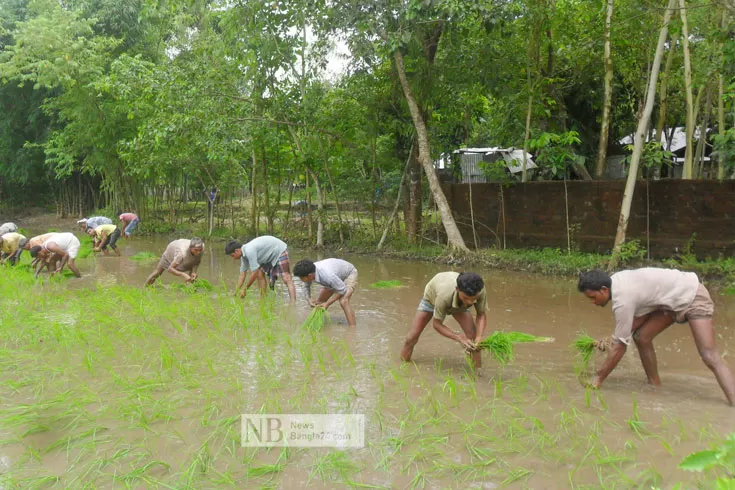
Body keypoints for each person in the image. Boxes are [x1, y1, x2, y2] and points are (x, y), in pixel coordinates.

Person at [578, 268, 735, 406]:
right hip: (669, 302)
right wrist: (611, 340)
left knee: (709, 355)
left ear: (604, 290)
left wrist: (598, 379)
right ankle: (655, 386)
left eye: (592, 297)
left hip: (692, 295)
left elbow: (620, 347)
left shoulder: (622, 300)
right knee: (642, 337)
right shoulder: (617, 281)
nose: (593, 302)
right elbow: (636, 323)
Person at [400, 271, 488, 367]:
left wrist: (479, 337)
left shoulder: (480, 290)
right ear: (457, 289)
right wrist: (459, 338)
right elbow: (437, 324)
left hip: (457, 302)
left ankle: (477, 372)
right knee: (412, 337)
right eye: (466, 298)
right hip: (432, 299)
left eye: (473, 299)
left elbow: (481, 314)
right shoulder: (443, 296)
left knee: (473, 339)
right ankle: (404, 367)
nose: (470, 302)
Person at [225, 236, 296, 302]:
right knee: (259, 274)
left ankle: (293, 303)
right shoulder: (243, 256)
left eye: (232, 255)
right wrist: (236, 291)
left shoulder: (249, 250)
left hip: (279, 250)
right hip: (268, 255)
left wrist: (245, 289)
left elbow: (254, 273)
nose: (233, 258)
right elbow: (242, 275)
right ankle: (263, 300)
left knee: (286, 278)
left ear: (237, 251)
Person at [293, 258, 358, 327]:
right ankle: (315, 325)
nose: (300, 279)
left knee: (343, 301)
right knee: (319, 303)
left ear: (310, 275)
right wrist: (309, 299)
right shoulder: (309, 271)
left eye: (301, 278)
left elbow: (342, 290)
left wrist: (327, 303)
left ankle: (352, 329)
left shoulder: (327, 275)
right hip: (334, 278)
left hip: (349, 274)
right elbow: (305, 286)